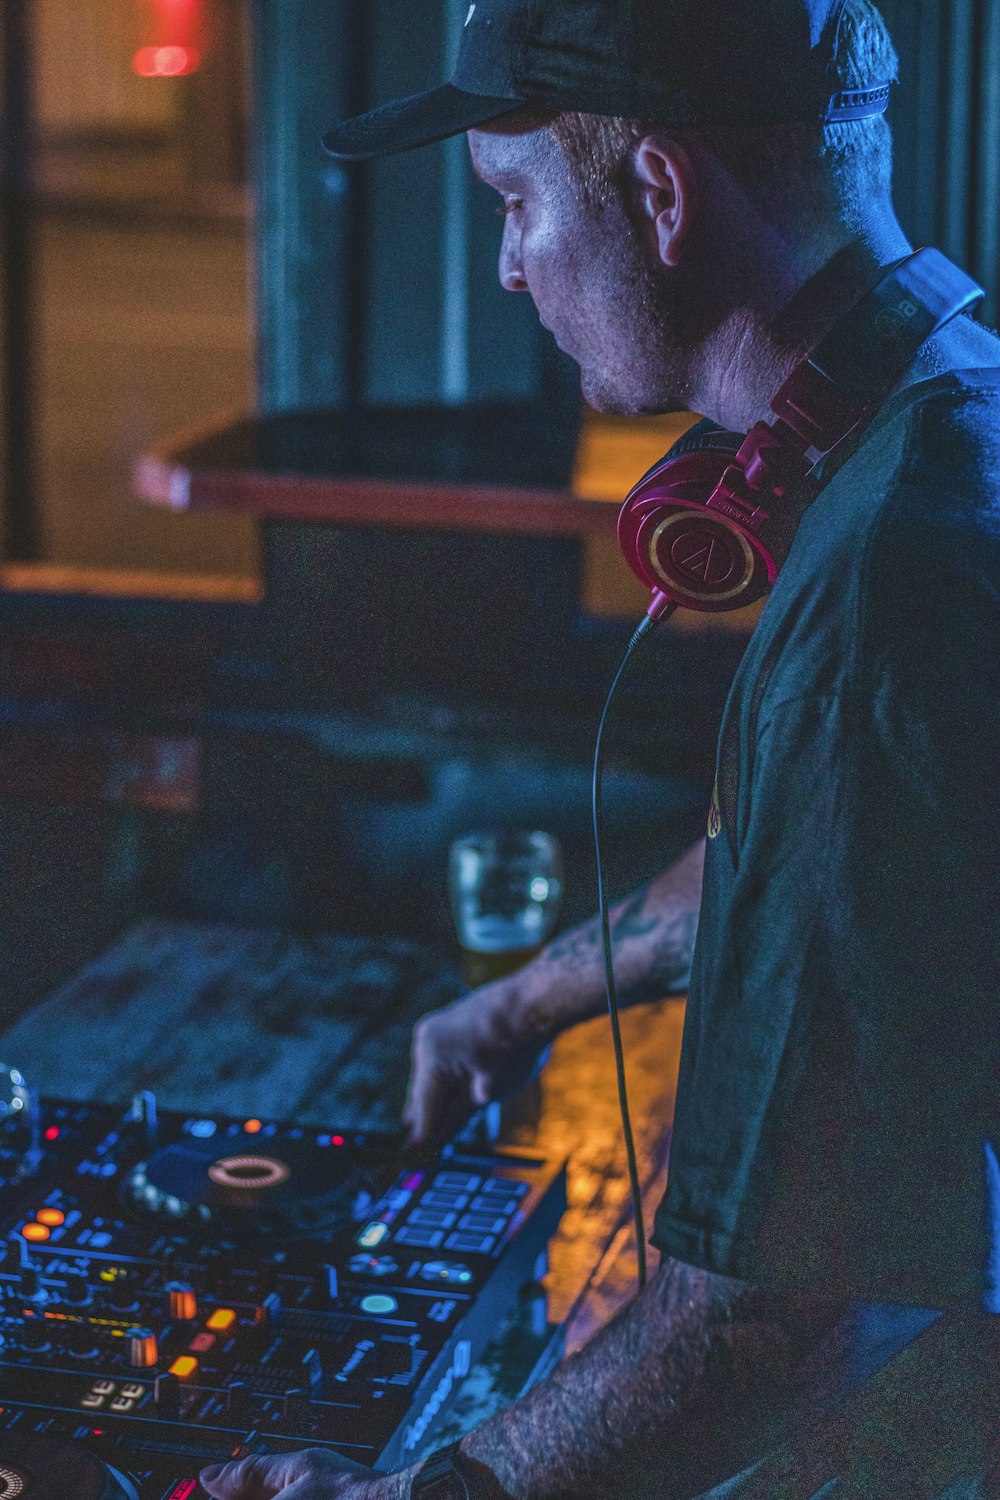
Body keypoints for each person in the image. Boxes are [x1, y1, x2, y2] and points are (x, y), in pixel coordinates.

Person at [201, 1, 1000, 1495]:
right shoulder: (952, 423)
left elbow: (783, 1309)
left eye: (514, 201)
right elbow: (811, 862)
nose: (507, 264)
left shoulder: (884, 586)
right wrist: (523, 1004)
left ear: (659, 195)